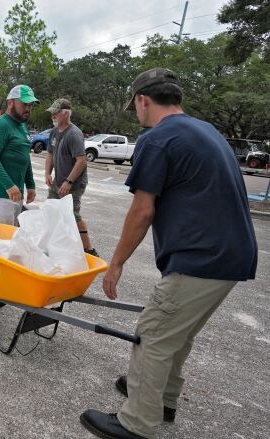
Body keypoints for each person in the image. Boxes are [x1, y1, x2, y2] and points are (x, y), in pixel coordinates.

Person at [80, 68, 257, 439]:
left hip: (200, 257)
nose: (137, 114)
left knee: (155, 332)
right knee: (179, 332)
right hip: (232, 257)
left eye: (135, 107)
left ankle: (136, 423)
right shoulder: (205, 130)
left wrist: (115, 264)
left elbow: (143, 210)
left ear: (143, 100)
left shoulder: (158, 138)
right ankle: (162, 400)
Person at [44, 98, 98, 256]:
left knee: (72, 215)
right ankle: (53, 246)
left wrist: (69, 182)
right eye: (52, 113)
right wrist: (48, 173)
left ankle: (89, 250)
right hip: (58, 182)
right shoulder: (54, 132)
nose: (53, 116)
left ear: (66, 114)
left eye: (56, 113)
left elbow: (81, 161)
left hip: (74, 184)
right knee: (51, 211)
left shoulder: (74, 134)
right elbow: (50, 154)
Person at [0, 84, 37, 225]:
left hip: (15, 195)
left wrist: (30, 185)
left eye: (31, 105)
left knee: (10, 240)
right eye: (24, 104)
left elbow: (25, 157)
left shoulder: (22, 126)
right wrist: (8, 185)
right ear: (10, 103)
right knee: (0, 242)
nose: (28, 109)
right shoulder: (1, 125)